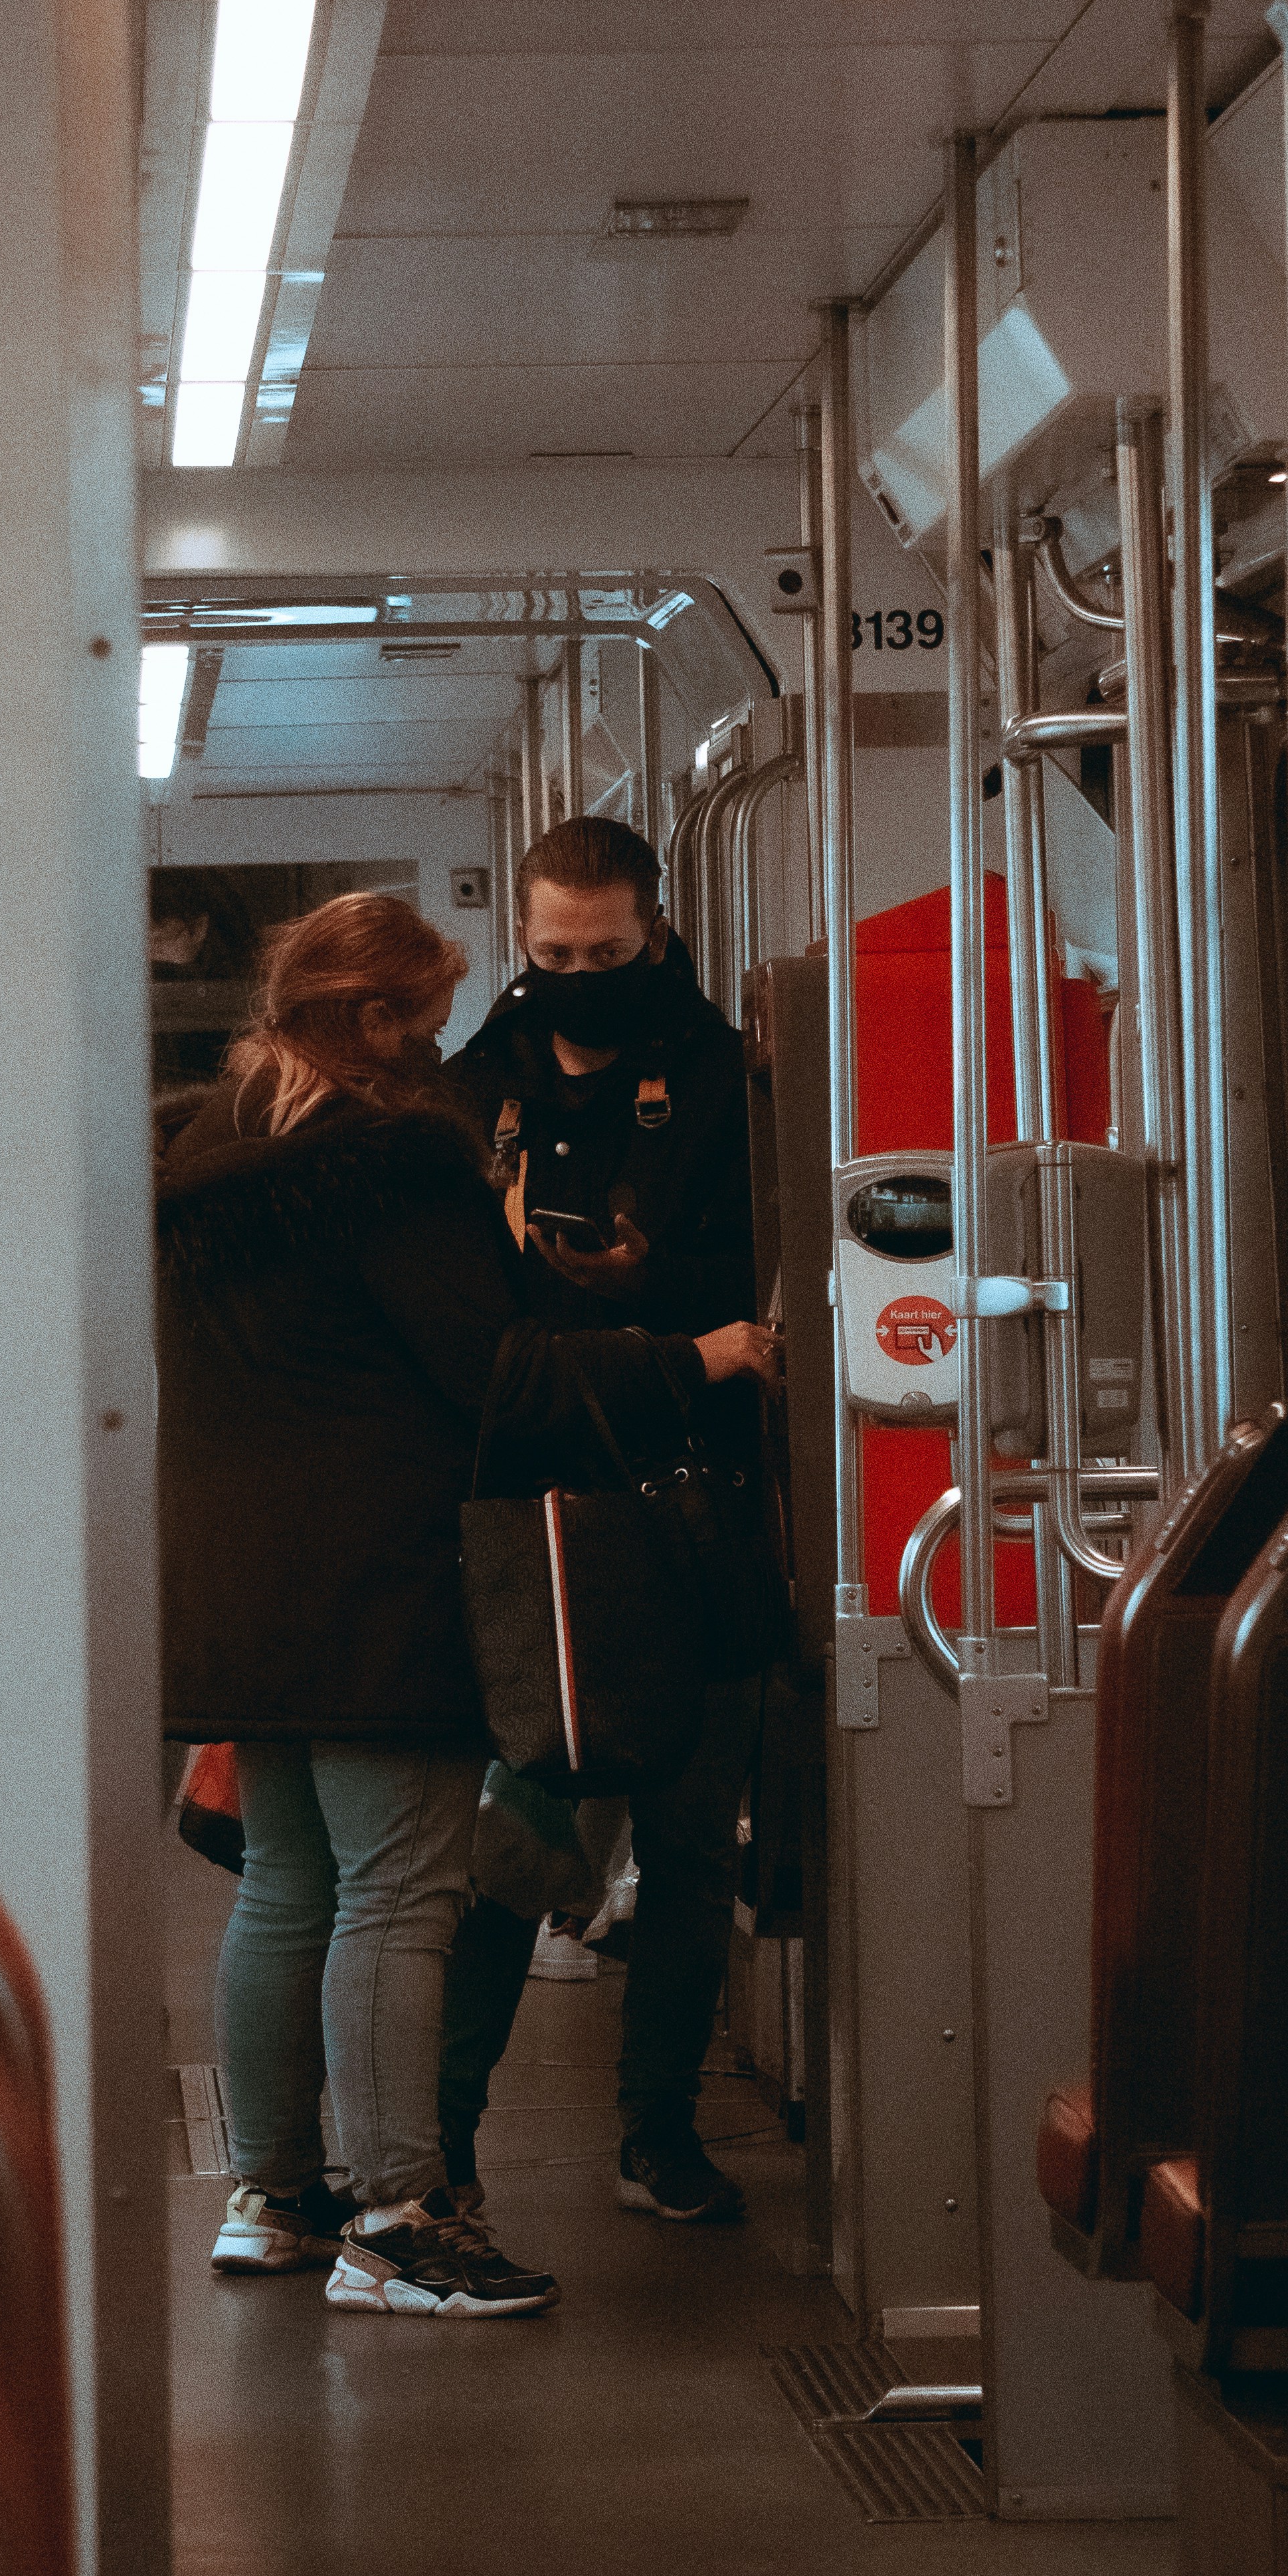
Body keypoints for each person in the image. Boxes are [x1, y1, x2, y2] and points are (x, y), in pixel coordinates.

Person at [155, 887, 779, 2323]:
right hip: (378, 1582)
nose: (439, 1053)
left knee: (291, 1885)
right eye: (424, 1021)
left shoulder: (206, 1149)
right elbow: (498, 1380)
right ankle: (398, 2216)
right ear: (369, 1021)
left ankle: (274, 2194)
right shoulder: (389, 1166)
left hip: (243, 1589)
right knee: (399, 1892)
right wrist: (698, 1357)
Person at [438, 812, 777, 2230]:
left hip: (696, 1497)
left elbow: (765, 1278)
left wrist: (648, 1281)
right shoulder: (473, 1092)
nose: (576, 974)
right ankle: (443, 2144)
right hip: (538, 1516)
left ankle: (657, 2130)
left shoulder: (724, 1082)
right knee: (517, 1838)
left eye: (605, 951)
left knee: (694, 1836)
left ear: (655, 931)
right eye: (550, 952)